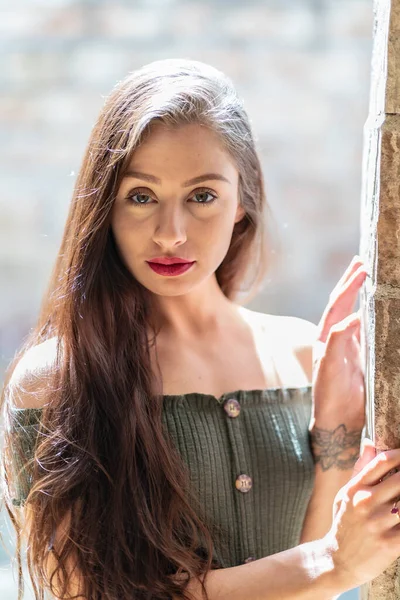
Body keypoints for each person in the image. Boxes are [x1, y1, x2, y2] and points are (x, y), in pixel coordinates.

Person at [1, 58, 400, 600]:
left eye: (202, 196)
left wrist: (333, 427)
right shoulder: (57, 380)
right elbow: (86, 593)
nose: (170, 233)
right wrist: (330, 561)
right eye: (141, 196)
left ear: (242, 201)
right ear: (105, 206)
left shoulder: (306, 357)